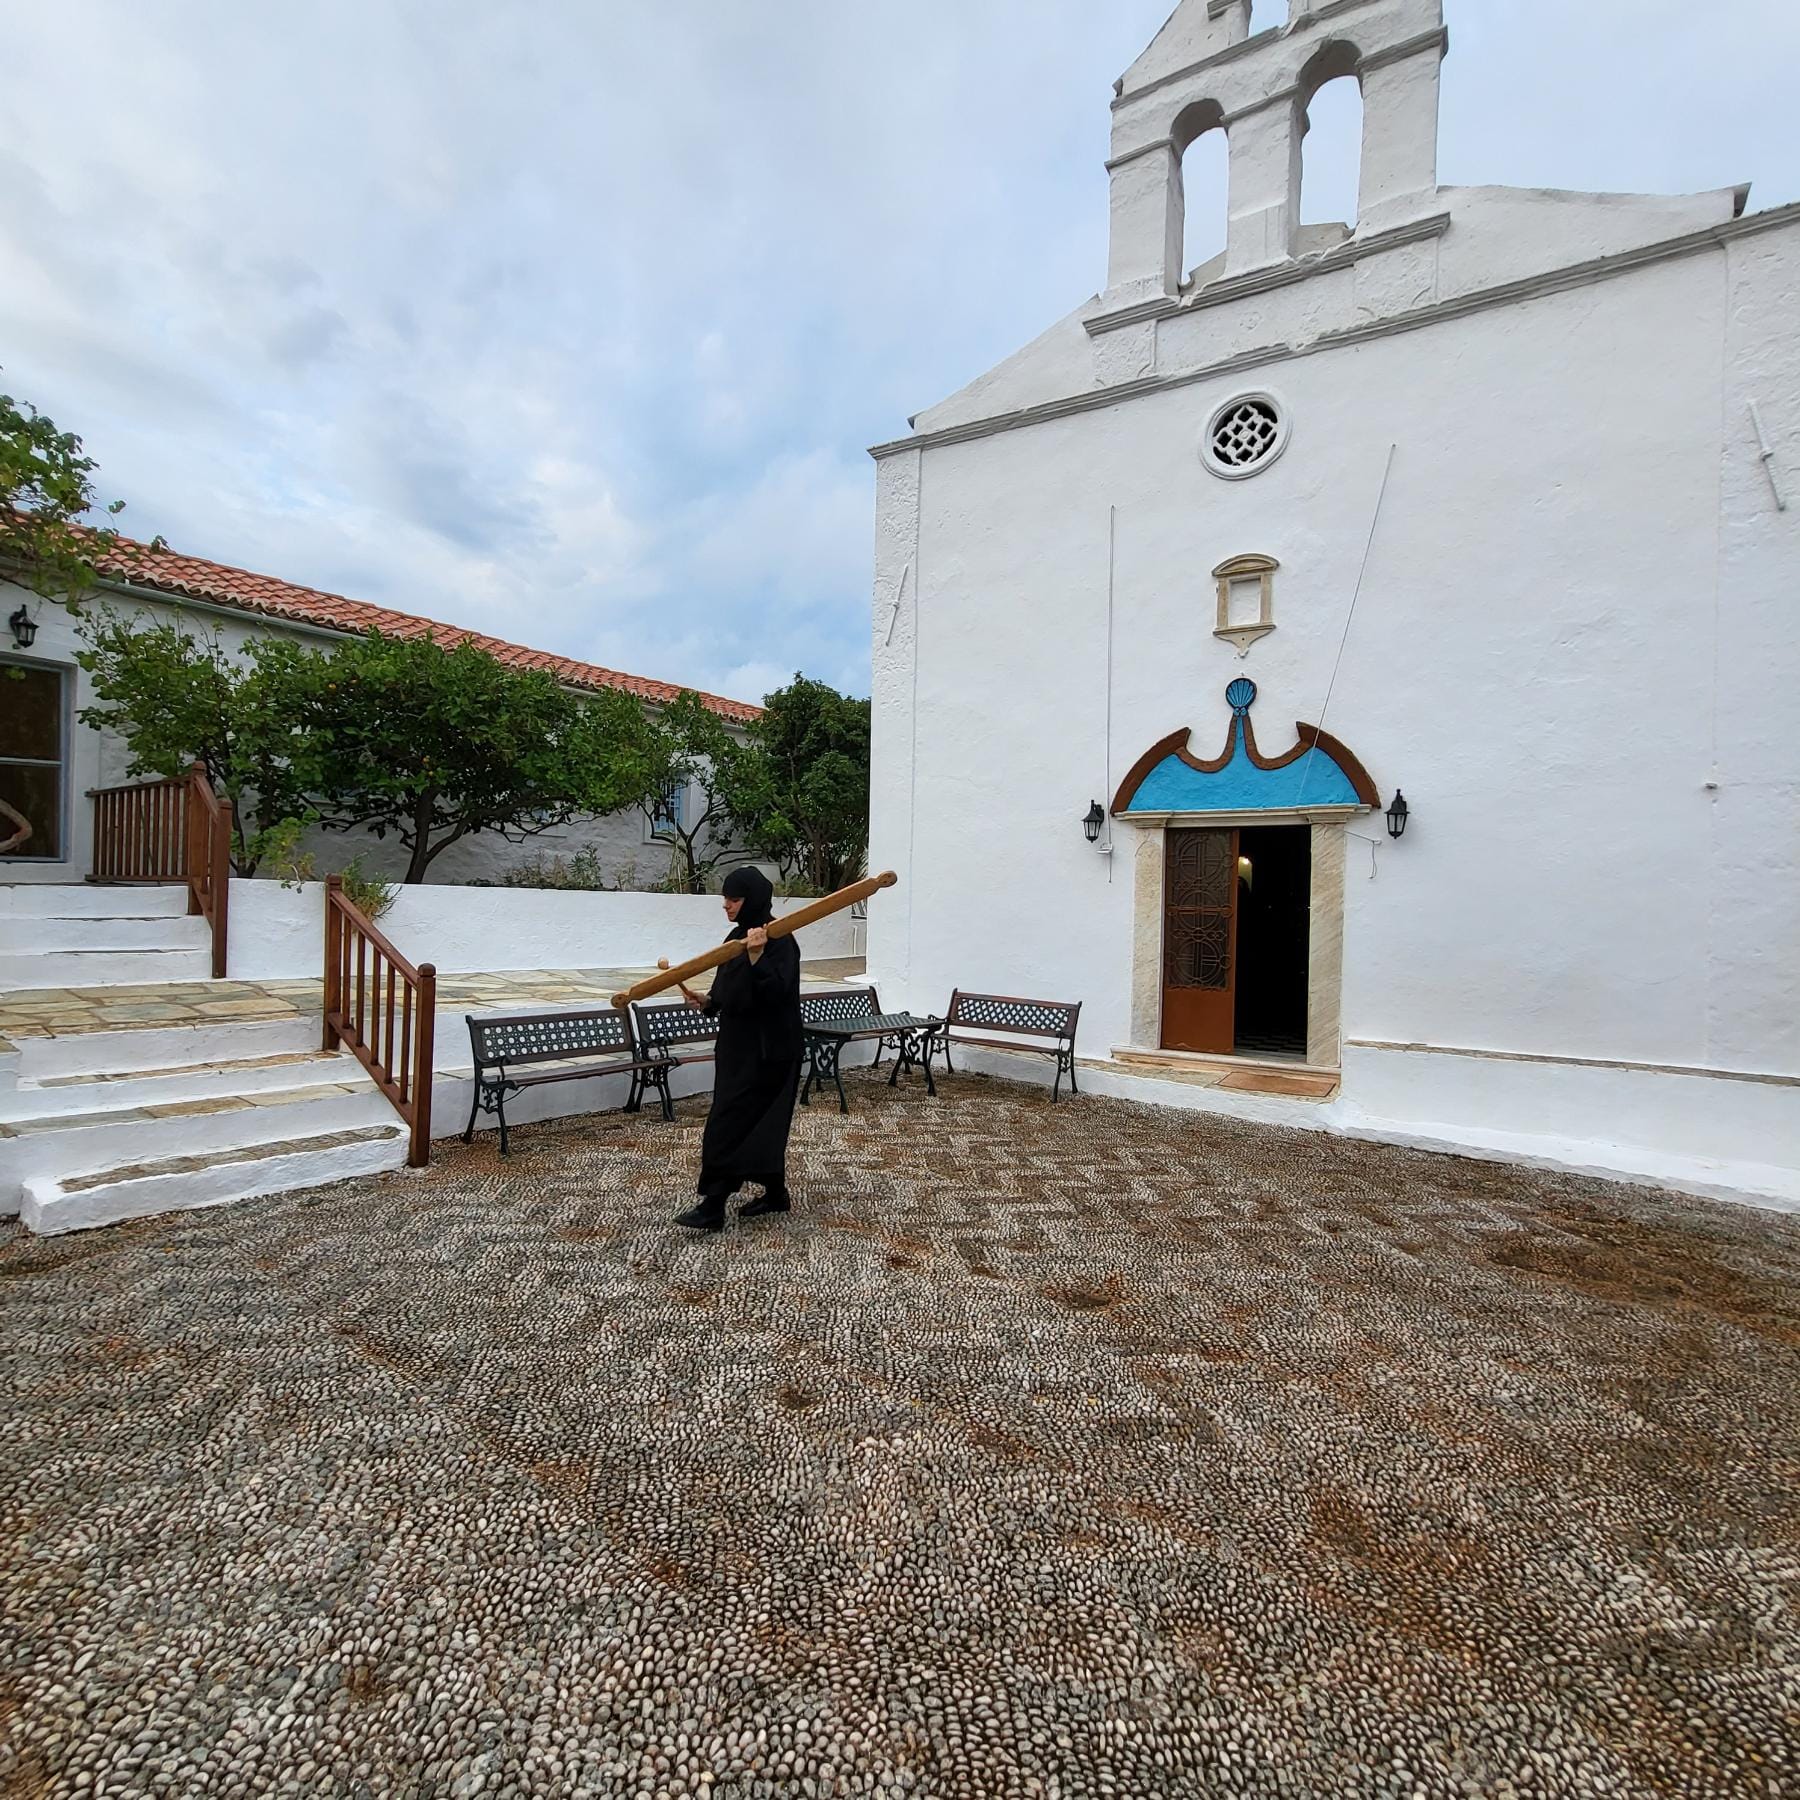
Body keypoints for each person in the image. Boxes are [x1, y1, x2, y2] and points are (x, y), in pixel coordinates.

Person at [671, 866, 802, 1233]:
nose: (726, 905)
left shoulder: (780, 940)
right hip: (738, 1047)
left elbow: (777, 994)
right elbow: (731, 989)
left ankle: (713, 1205)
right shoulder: (736, 937)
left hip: (770, 1050)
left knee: (730, 1122)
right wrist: (709, 1001)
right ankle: (775, 1193)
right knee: (754, 1121)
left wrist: (758, 957)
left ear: (753, 900)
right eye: (725, 898)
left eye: (734, 899)